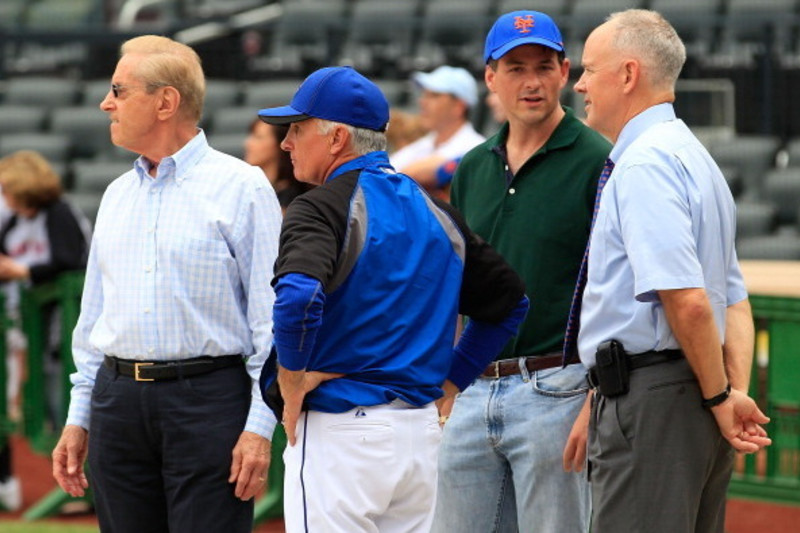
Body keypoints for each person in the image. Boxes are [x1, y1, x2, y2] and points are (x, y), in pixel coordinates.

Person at [256, 65, 529, 533]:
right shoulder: (435, 210)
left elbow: (299, 297)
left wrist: (292, 377)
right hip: (419, 436)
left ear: (337, 137)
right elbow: (511, 304)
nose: (285, 142)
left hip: (342, 434)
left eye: (297, 129)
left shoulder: (318, 207)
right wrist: (452, 381)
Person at [51, 35, 283, 533]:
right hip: (117, 402)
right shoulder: (115, 195)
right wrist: (80, 414)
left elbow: (272, 322)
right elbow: (93, 319)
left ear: (166, 102)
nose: (105, 102)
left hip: (208, 400)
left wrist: (259, 429)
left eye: (119, 89)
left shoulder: (242, 187)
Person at [572, 9, 771, 532]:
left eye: (590, 69)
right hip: (692, 392)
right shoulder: (695, 157)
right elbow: (735, 300)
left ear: (629, 74)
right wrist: (730, 391)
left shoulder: (644, 163)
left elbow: (687, 299)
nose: (580, 84)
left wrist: (719, 396)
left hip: (657, 400)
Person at [432, 10, 612, 533]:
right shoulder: (472, 167)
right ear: (491, 77)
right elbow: (461, 283)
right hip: (474, 389)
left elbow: (613, 286)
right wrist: (450, 382)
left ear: (564, 71)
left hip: (559, 385)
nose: (531, 81)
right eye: (514, 68)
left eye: (542, 65)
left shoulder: (599, 160)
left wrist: (592, 394)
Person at [0, 150, 90, 512]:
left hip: (69, 320)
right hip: (36, 322)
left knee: (70, 399)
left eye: (8, 188)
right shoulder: (16, 222)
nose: (5, 197)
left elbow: (70, 261)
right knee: (52, 401)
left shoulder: (59, 212)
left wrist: (21, 272)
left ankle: (86, 488)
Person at [389, 65, 485, 200]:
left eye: (434, 96)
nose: (422, 102)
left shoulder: (477, 146)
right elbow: (386, 176)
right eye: (424, 95)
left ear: (458, 106)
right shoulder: (424, 143)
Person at [244, 118, 308, 212]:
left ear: (282, 143)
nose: (248, 144)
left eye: (258, 137)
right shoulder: (249, 188)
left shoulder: (291, 199)